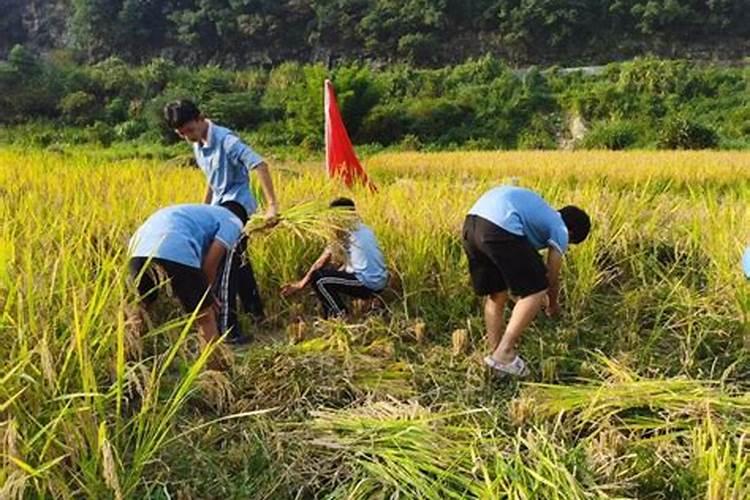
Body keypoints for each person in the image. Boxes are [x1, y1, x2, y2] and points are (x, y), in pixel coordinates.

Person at [164, 99, 279, 343]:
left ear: (200, 118)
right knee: (240, 262)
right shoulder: (197, 144)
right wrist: (204, 208)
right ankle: (256, 312)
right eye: (182, 134)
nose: (188, 137)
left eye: (190, 131)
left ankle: (229, 330)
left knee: (223, 264)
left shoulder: (227, 140)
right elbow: (212, 180)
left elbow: (259, 164)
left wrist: (272, 207)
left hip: (236, 207)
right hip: (218, 209)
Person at [462, 185, 591, 377]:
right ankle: (504, 353)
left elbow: (516, 267)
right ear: (571, 233)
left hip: (471, 225)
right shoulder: (560, 227)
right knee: (537, 288)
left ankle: (496, 356)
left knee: (498, 293)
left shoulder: (539, 216)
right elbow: (551, 277)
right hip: (499, 226)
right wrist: (553, 305)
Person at [127, 204, 244, 343]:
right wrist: (208, 296)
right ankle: (215, 363)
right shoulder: (234, 221)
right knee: (204, 317)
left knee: (139, 308)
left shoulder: (198, 212)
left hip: (138, 249)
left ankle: (129, 356)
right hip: (175, 248)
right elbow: (211, 262)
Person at [281, 198, 389, 318]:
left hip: (367, 283)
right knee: (334, 271)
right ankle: (370, 302)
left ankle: (338, 316)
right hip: (380, 282)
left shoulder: (343, 231)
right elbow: (353, 262)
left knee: (319, 278)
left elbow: (320, 263)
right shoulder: (364, 228)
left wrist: (300, 284)